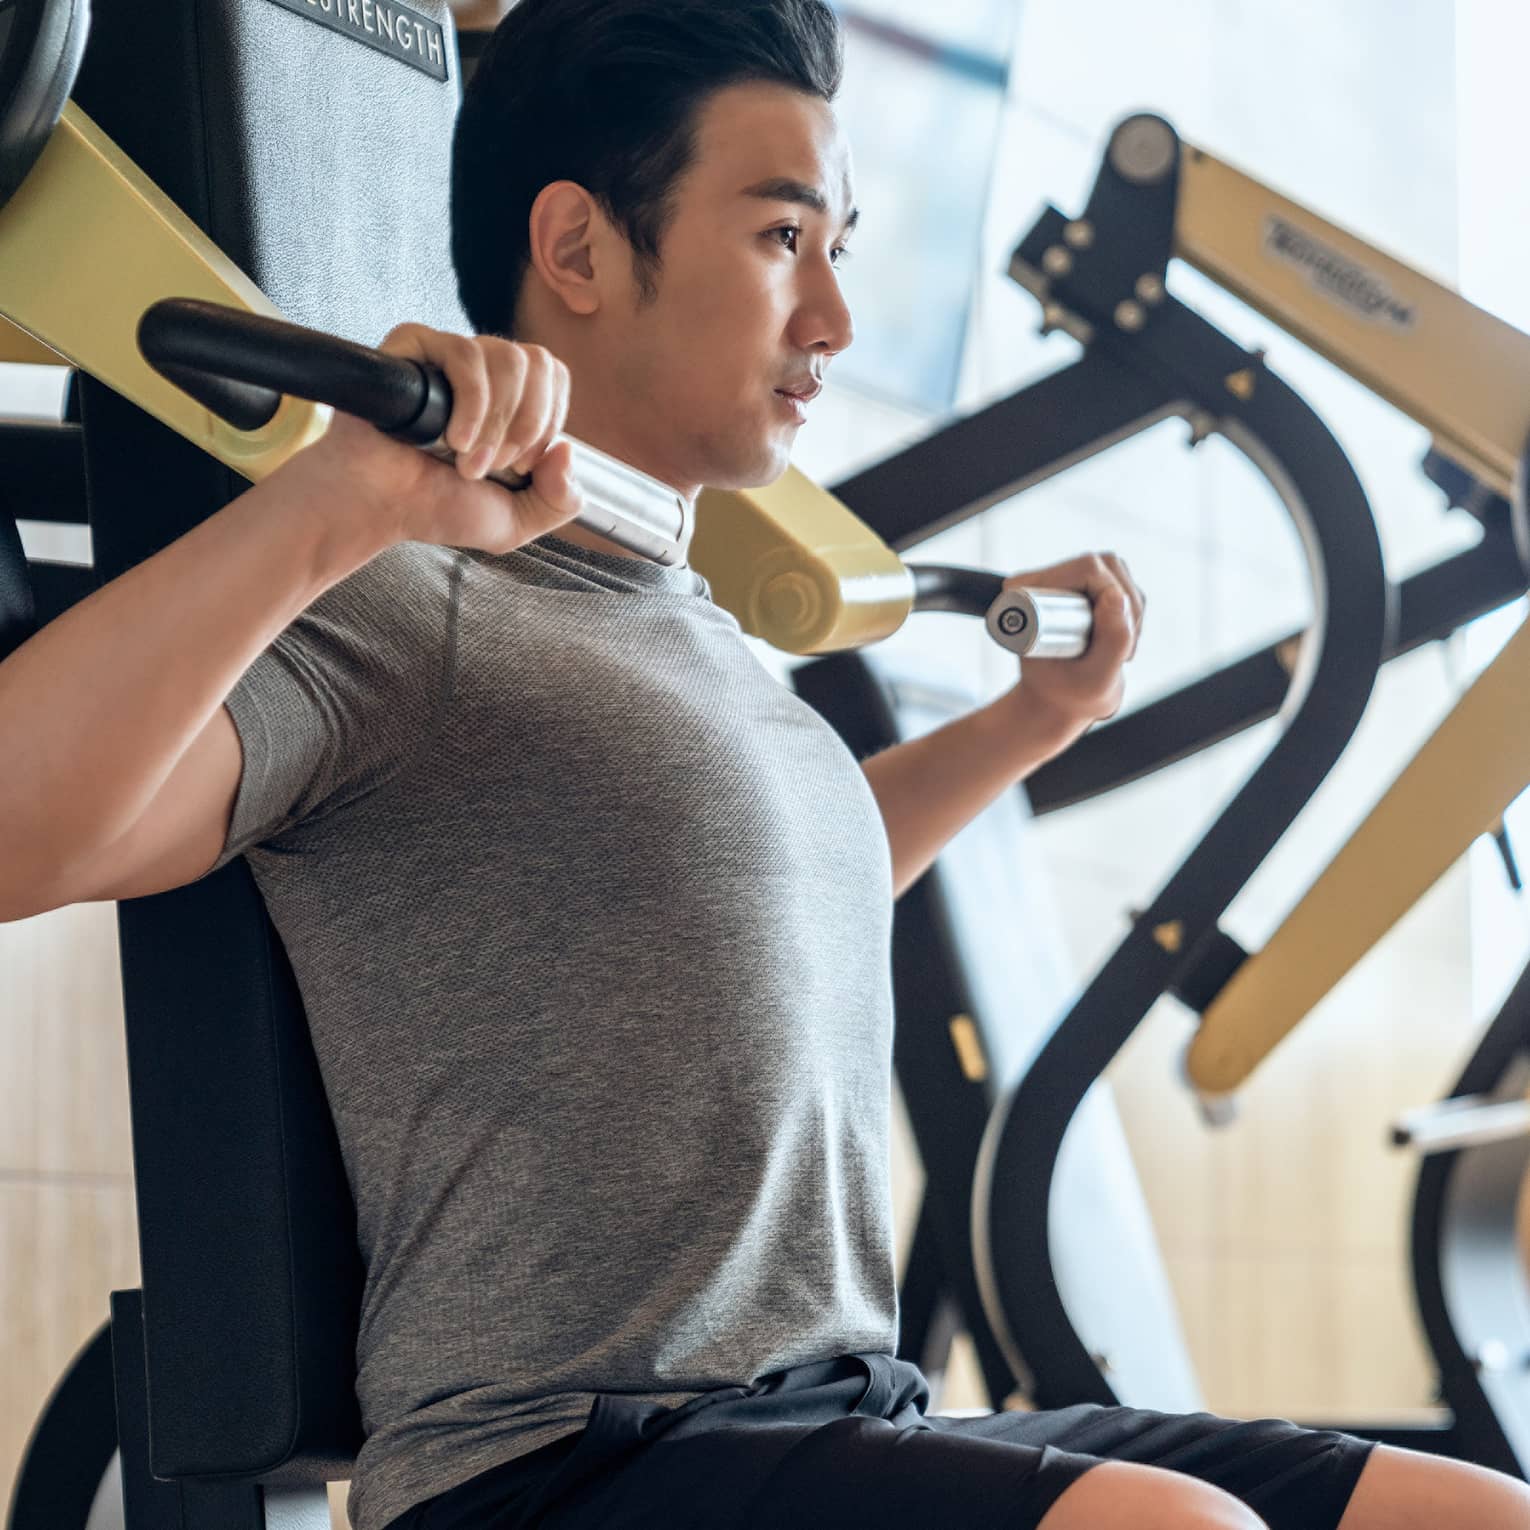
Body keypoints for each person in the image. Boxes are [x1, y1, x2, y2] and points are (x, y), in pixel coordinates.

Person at [0, 2, 1525, 1528]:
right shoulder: (412, 601)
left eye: (839, 245)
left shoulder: (696, 629)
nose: (834, 321)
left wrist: (1025, 726)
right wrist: (333, 507)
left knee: (1465, 1514)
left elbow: (779, 883)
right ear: (580, 251)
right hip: (562, 1462)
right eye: (783, 237)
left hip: (832, 1403)